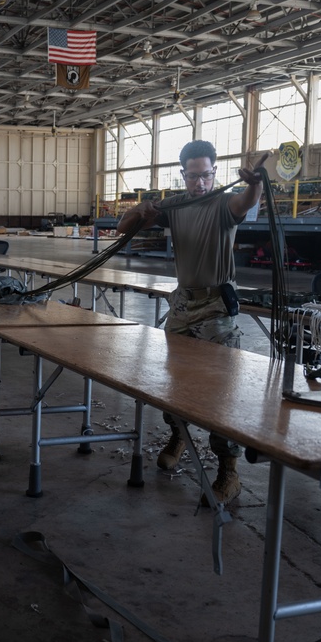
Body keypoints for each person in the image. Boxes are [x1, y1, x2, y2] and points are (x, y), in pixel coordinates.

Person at [117, 140, 268, 505]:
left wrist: (254, 183)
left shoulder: (223, 204)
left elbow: (245, 202)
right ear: (182, 175)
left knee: (220, 391)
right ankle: (179, 435)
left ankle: (228, 471)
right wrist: (141, 208)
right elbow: (124, 228)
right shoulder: (176, 205)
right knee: (174, 382)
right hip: (183, 305)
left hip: (216, 307)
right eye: (193, 176)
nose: (199, 182)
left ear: (215, 173)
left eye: (206, 175)